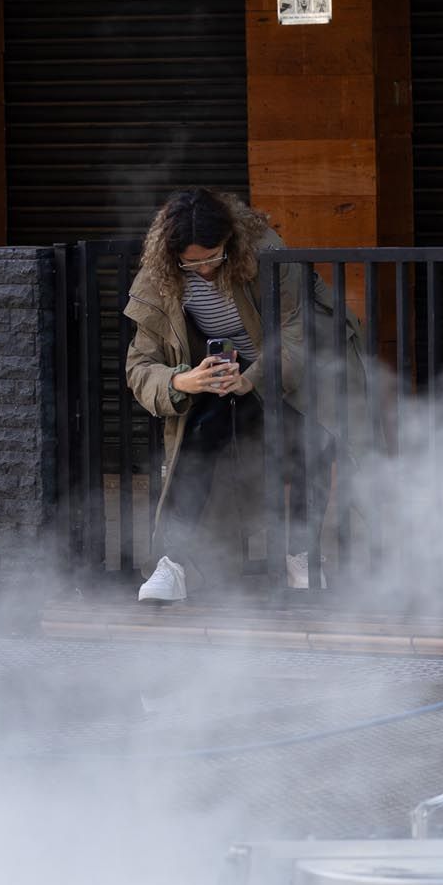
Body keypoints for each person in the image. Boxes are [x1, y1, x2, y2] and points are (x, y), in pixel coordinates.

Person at [124, 188, 364, 602]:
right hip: (213, 384)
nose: (203, 269)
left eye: (212, 257)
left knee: (318, 445)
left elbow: (299, 331)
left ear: (230, 244)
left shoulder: (265, 253)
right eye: (191, 261)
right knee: (196, 441)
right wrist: (183, 382)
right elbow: (140, 365)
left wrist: (252, 378)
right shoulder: (159, 275)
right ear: (173, 254)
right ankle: (173, 564)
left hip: (284, 381)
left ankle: (301, 556)